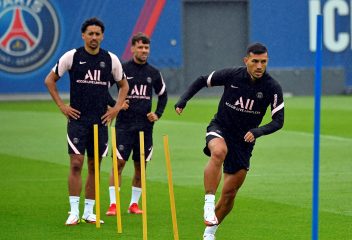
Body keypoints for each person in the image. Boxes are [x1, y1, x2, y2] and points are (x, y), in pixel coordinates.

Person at [174, 43, 284, 240]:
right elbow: (202, 80)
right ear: (246, 61)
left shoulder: (272, 87)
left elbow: (279, 121)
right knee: (218, 152)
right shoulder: (232, 75)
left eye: (263, 62)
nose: (259, 66)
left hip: (244, 141)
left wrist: (257, 131)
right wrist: (183, 100)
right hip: (220, 128)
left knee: (230, 194)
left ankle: (209, 233)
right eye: (255, 61)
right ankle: (208, 203)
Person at [44, 17, 129, 225]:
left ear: (102, 36)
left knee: (94, 166)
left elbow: (124, 86)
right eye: (90, 34)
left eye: (97, 34)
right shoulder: (72, 56)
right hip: (78, 121)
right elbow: (50, 80)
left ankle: (89, 212)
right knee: (76, 163)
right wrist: (62, 106)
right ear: (83, 35)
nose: (93, 37)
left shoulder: (111, 59)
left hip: (100, 122)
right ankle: (73, 211)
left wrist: (116, 109)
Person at [105, 32, 168, 216]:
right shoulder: (122, 69)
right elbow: (104, 87)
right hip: (123, 125)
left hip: (145, 128)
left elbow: (163, 94)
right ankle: (113, 204)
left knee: (141, 167)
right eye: (140, 47)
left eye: (146, 47)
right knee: (119, 163)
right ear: (132, 48)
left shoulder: (154, 73)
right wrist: (116, 105)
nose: (143, 51)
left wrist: (157, 114)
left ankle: (133, 204)